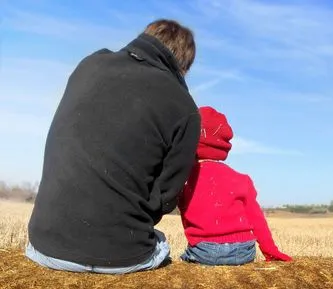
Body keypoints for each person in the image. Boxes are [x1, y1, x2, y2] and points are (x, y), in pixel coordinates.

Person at [25, 19, 201, 274]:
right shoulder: (185, 108)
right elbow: (165, 198)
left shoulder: (90, 64)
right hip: (120, 256)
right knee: (161, 244)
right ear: (183, 66)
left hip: (41, 246)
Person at [178, 106, 292, 266]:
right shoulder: (242, 179)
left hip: (206, 251)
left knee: (179, 260)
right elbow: (257, 219)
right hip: (245, 250)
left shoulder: (186, 179)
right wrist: (270, 251)